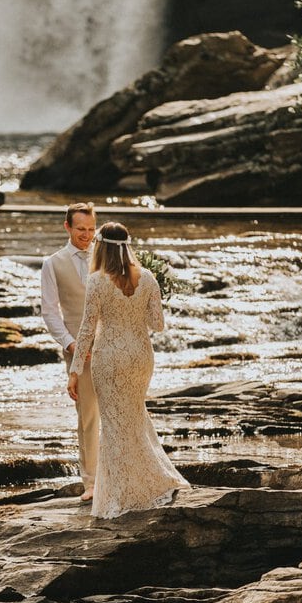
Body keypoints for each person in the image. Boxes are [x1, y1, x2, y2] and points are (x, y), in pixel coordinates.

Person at [67, 221, 190, 519]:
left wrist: (74, 370)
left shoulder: (96, 280)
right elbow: (157, 325)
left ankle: (121, 493)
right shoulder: (147, 278)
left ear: (102, 247)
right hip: (140, 357)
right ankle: (147, 483)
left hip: (108, 357)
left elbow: (87, 328)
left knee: (114, 424)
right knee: (134, 417)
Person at [41, 202, 100, 501]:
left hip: (113, 346)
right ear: (67, 227)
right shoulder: (53, 263)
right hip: (79, 350)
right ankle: (91, 481)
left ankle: (118, 475)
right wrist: (71, 344)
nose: (87, 235)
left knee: (120, 412)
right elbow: (50, 312)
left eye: (91, 229)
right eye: (80, 230)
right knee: (87, 416)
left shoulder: (107, 257)